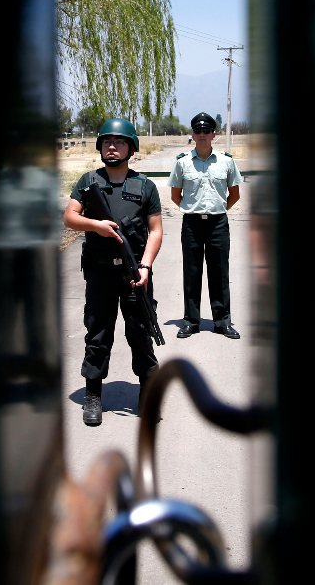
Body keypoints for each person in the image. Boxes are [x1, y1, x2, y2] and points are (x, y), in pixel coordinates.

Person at [64, 118, 163, 426]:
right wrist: (96, 226)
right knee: (97, 334)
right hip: (100, 273)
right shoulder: (87, 181)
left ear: (131, 147)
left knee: (140, 333)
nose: (112, 146)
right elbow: (70, 217)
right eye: (107, 141)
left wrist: (145, 265)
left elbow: (156, 230)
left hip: (136, 273)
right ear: (100, 146)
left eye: (119, 142)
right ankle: (93, 395)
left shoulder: (145, 186)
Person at [167, 112, 242, 339]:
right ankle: (191, 321)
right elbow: (175, 195)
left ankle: (222, 322)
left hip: (218, 224)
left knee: (219, 273)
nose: (202, 135)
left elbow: (235, 194)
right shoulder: (182, 162)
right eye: (198, 131)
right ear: (192, 134)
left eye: (206, 131)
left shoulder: (227, 161)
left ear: (214, 135)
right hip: (192, 224)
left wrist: (217, 211)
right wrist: (195, 209)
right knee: (192, 273)